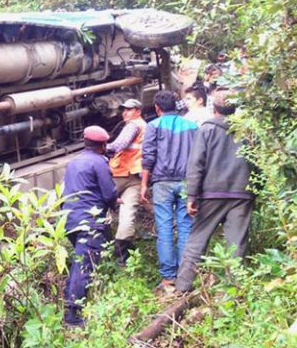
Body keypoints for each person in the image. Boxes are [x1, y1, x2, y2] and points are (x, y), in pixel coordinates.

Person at [175, 90, 256, 292]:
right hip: (242, 193)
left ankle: (183, 286)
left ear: (214, 108)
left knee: (197, 240)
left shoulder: (207, 129)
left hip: (211, 193)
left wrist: (192, 196)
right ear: (235, 109)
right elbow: (258, 164)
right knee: (236, 243)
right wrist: (256, 190)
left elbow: (196, 164)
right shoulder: (247, 132)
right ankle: (234, 290)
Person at [140, 90, 198, 290]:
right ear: (176, 105)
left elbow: (148, 156)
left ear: (157, 108)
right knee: (185, 227)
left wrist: (143, 185)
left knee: (164, 228)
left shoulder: (153, 126)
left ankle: (167, 277)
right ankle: (185, 276)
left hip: (162, 183)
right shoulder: (192, 126)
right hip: (186, 182)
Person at [62, 125, 118, 326]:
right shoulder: (99, 163)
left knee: (81, 261)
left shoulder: (73, 162)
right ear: (103, 145)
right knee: (84, 265)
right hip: (89, 220)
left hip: (70, 219)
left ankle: (73, 296)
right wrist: (114, 204)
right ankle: (73, 315)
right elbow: (109, 192)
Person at [106, 98, 146, 264]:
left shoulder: (133, 125)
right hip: (136, 175)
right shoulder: (146, 126)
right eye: (124, 110)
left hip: (120, 174)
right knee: (128, 214)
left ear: (138, 111)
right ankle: (122, 256)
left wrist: (102, 147)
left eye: (129, 110)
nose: (125, 113)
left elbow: (119, 144)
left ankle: (105, 246)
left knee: (100, 205)